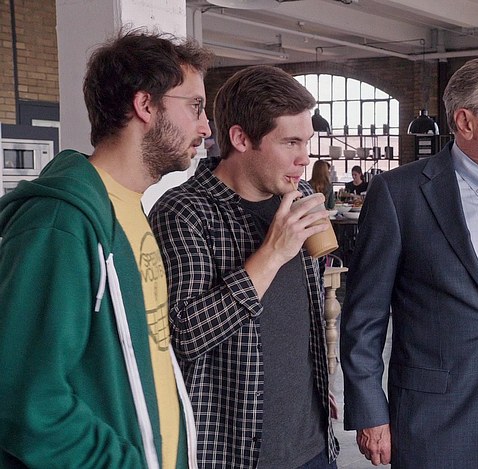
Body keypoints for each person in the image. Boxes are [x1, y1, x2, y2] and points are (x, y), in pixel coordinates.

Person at [0, 29, 213, 468]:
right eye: (195, 106)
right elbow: (24, 397)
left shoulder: (129, 209)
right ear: (146, 105)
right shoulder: (60, 223)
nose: (205, 127)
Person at [340, 56, 478, 467]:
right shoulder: (399, 193)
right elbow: (364, 316)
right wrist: (370, 411)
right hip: (433, 418)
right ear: (465, 121)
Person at [148, 65, 339, 468]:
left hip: (312, 445)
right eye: (290, 142)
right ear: (240, 138)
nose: (304, 158)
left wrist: (313, 385)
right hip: (233, 452)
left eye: (306, 141)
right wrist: (272, 253)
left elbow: (297, 321)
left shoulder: (297, 195)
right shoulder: (183, 212)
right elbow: (184, 335)